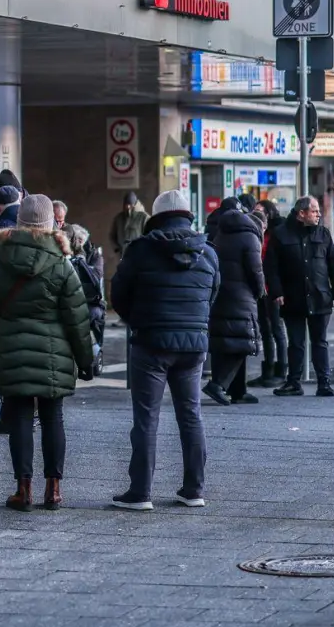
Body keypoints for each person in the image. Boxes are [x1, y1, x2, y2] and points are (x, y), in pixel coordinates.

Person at [0, 195, 95, 512]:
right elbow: (77, 318)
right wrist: (86, 361)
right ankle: (53, 490)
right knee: (53, 417)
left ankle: (23, 490)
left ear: (19, 222)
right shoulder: (61, 263)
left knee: (20, 419)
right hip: (54, 354)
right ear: (50, 224)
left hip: (13, 350)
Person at [109, 189, 218, 511]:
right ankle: (194, 489)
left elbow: (119, 294)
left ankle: (140, 492)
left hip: (151, 343)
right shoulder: (208, 252)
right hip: (193, 345)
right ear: (188, 215)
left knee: (146, 418)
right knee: (191, 415)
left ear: (155, 217)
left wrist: (138, 321)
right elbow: (213, 294)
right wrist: (195, 323)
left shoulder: (140, 250)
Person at [265, 196, 334, 398]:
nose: (319, 214)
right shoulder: (281, 234)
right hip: (292, 297)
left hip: (319, 297)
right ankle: (293, 382)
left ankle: (324, 382)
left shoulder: (323, 233)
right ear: (301, 213)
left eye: (318, 211)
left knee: (320, 342)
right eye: (314, 211)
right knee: (296, 342)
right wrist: (276, 291)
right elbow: (271, 267)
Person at [202, 197, 264, 407]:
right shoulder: (250, 237)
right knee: (244, 343)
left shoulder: (220, 234)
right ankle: (218, 384)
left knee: (226, 342)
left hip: (221, 292)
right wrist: (260, 291)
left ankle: (238, 390)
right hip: (242, 295)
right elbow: (256, 270)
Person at [246, 207, 288, 389]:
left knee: (277, 329)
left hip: (273, 290)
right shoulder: (258, 235)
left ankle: (281, 371)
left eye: (260, 210)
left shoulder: (276, 235)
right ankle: (268, 370)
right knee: (265, 330)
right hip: (262, 289)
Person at [67, 225, 106, 375]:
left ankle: (89, 354)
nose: (78, 243)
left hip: (90, 301)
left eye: (80, 240)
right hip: (73, 300)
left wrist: (82, 264)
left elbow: (96, 276)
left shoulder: (93, 254)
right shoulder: (66, 254)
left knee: (90, 315)